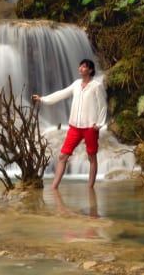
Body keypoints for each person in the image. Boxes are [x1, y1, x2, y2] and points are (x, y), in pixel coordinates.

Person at [31, 58, 107, 189]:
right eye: (80, 66)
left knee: (91, 157)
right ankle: (54, 187)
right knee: (62, 156)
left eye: (84, 67)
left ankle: (90, 188)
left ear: (90, 70)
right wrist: (42, 99)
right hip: (74, 127)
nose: (81, 69)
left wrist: (99, 124)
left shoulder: (96, 86)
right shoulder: (76, 84)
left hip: (90, 127)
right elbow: (61, 94)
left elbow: (102, 106)